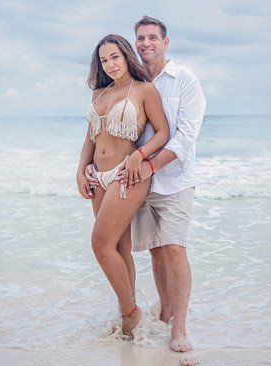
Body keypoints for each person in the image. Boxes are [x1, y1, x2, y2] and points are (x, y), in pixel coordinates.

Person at [87, 16, 206, 352]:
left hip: (170, 180)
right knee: (151, 252)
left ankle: (173, 328)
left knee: (173, 248)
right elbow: (96, 134)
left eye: (153, 37)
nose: (146, 43)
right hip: (128, 180)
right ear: (133, 44)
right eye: (141, 38)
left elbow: (181, 137)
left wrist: (145, 160)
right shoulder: (122, 83)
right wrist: (84, 169)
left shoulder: (181, 80)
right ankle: (158, 317)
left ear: (165, 42)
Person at [75, 34, 169, 337]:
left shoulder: (144, 90)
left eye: (115, 56)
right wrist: (80, 170)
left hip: (125, 175)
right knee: (119, 247)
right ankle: (127, 312)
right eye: (104, 60)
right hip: (97, 177)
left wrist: (139, 156)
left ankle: (131, 314)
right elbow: (91, 136)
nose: (110, 64)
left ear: (126, 56)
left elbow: (163, 133)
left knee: (100, 244)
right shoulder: (98, 94)